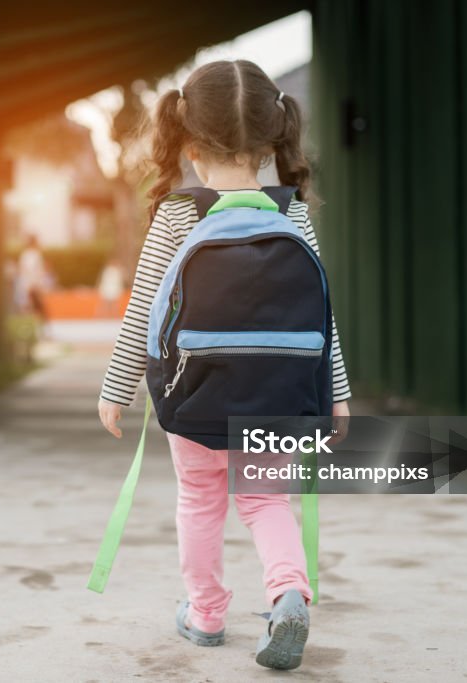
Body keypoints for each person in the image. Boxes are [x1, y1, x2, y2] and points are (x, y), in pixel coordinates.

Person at [95, 60, 352, 671]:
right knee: (266, 500)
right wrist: (335, 395)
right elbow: (322, 317)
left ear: (186, 139)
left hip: (196, 396)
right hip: (278, 396)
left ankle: (206, 613)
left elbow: (142, 315)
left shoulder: (179, 214)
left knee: (200, 501)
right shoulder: (291, 214)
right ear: (272, 138)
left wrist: (117, 390)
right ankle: (288, 594)